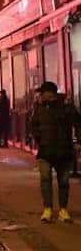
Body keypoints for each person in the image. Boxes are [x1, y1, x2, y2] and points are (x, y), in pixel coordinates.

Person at [29, 81, 81, 223]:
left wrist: (78, 142)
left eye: (42, 93)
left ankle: (63, 209)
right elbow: (33, 125)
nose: (40, 95)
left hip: (63, 150)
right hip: (45, 150)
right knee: (45, 180)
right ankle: (48, 209)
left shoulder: (66, 107)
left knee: (63, 182)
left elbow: (78, 123)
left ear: (49, 93)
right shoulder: (39, 108)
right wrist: (38, 138)